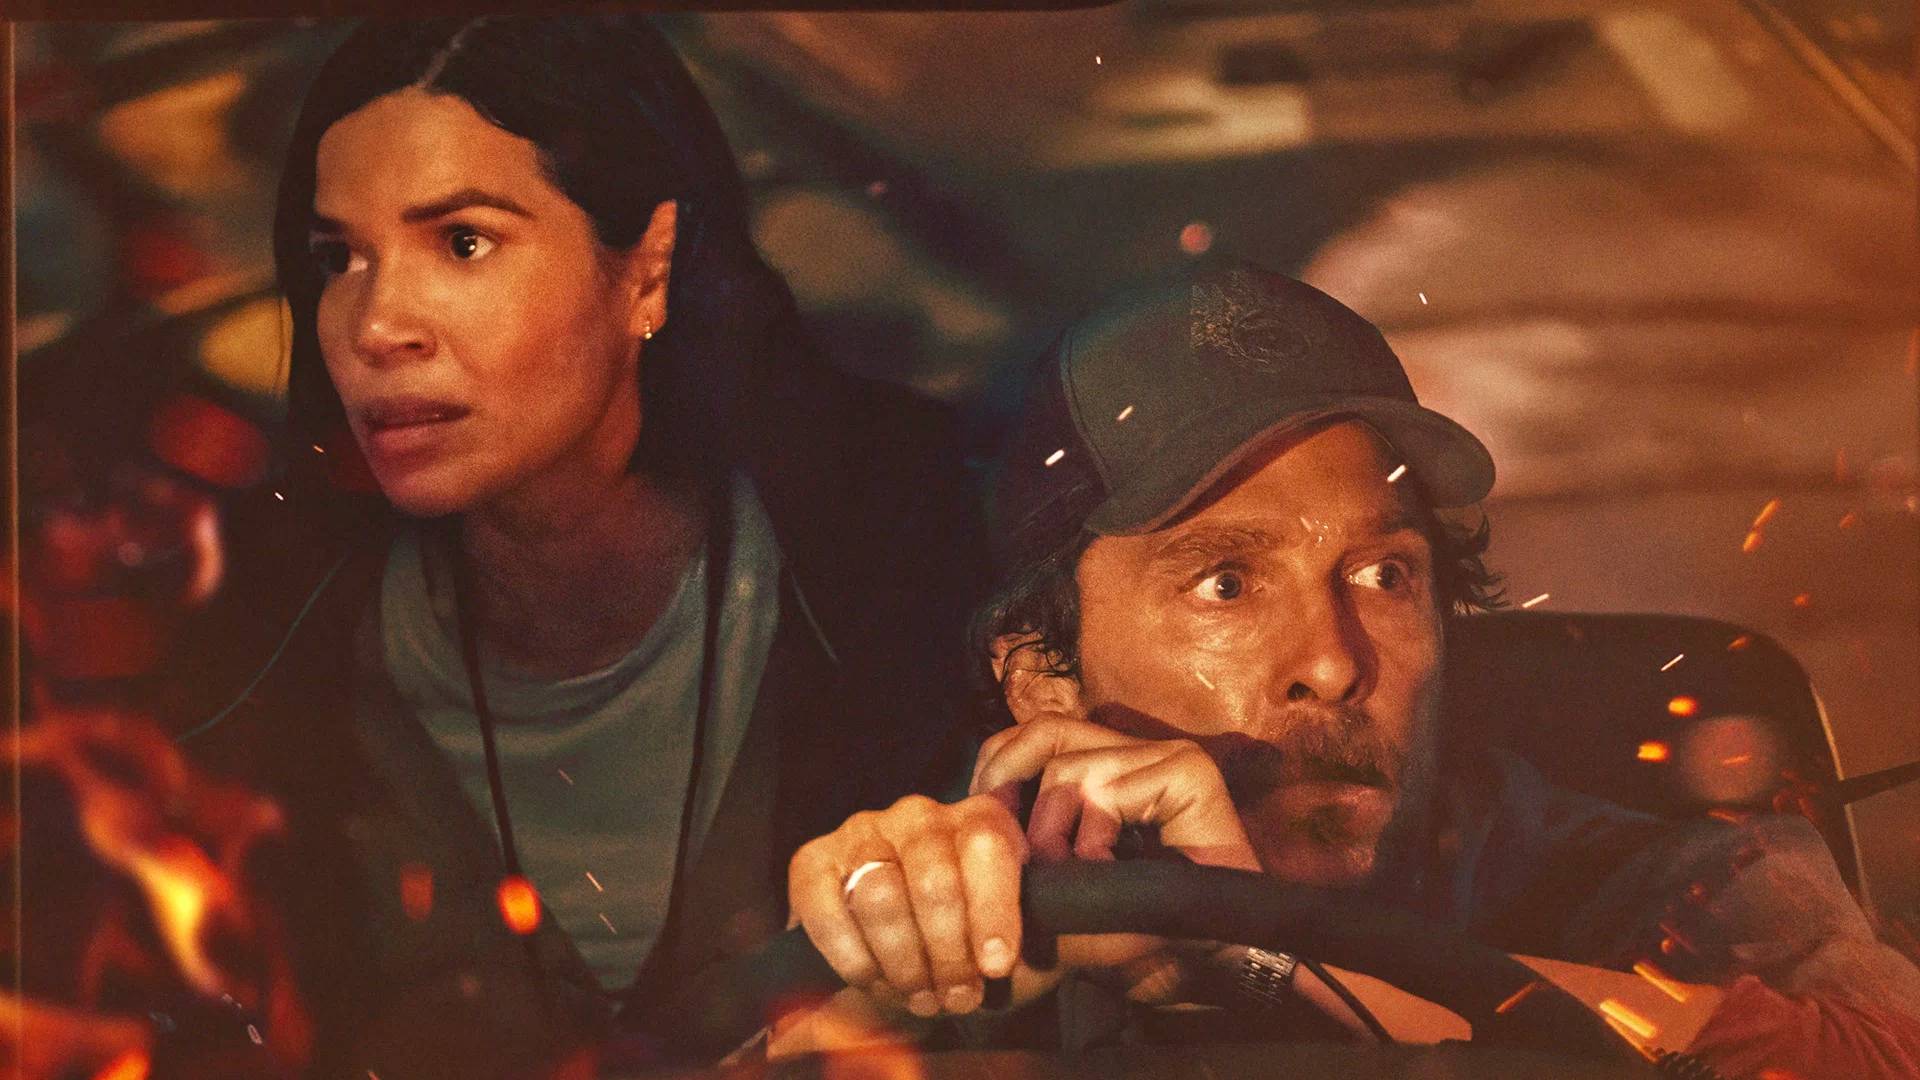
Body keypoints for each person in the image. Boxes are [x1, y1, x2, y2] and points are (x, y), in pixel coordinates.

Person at [788, 262, 1920, 1077]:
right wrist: (879, 972)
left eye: (1385, 575)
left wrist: (1249, 950)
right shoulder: (982, 898)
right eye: (1226, 584)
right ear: (1044, 678)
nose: (1333, 663)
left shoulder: (1675, 882)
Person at [167, 16, 986, 1078]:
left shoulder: (916, 564)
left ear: (647, 270)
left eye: (462, 242)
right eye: (340, 259)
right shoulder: (256, 656)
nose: (373, 326)